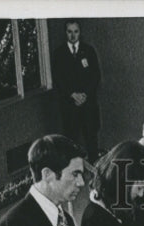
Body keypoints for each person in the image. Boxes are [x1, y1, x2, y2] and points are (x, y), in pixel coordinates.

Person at [51, 20, 101, 162]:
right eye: (69, 32)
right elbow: (58, 78)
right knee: (71, 140)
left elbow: (95, 76)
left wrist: (85, 95)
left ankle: (94, 168)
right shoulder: (59, 53)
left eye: (76, 31)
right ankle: (74, 171)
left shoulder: (88, 51)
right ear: (65, 33)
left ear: (80, 32)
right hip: (69, 105)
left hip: (88, 104)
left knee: (91, 137)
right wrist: (72, 95)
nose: (73, 35)